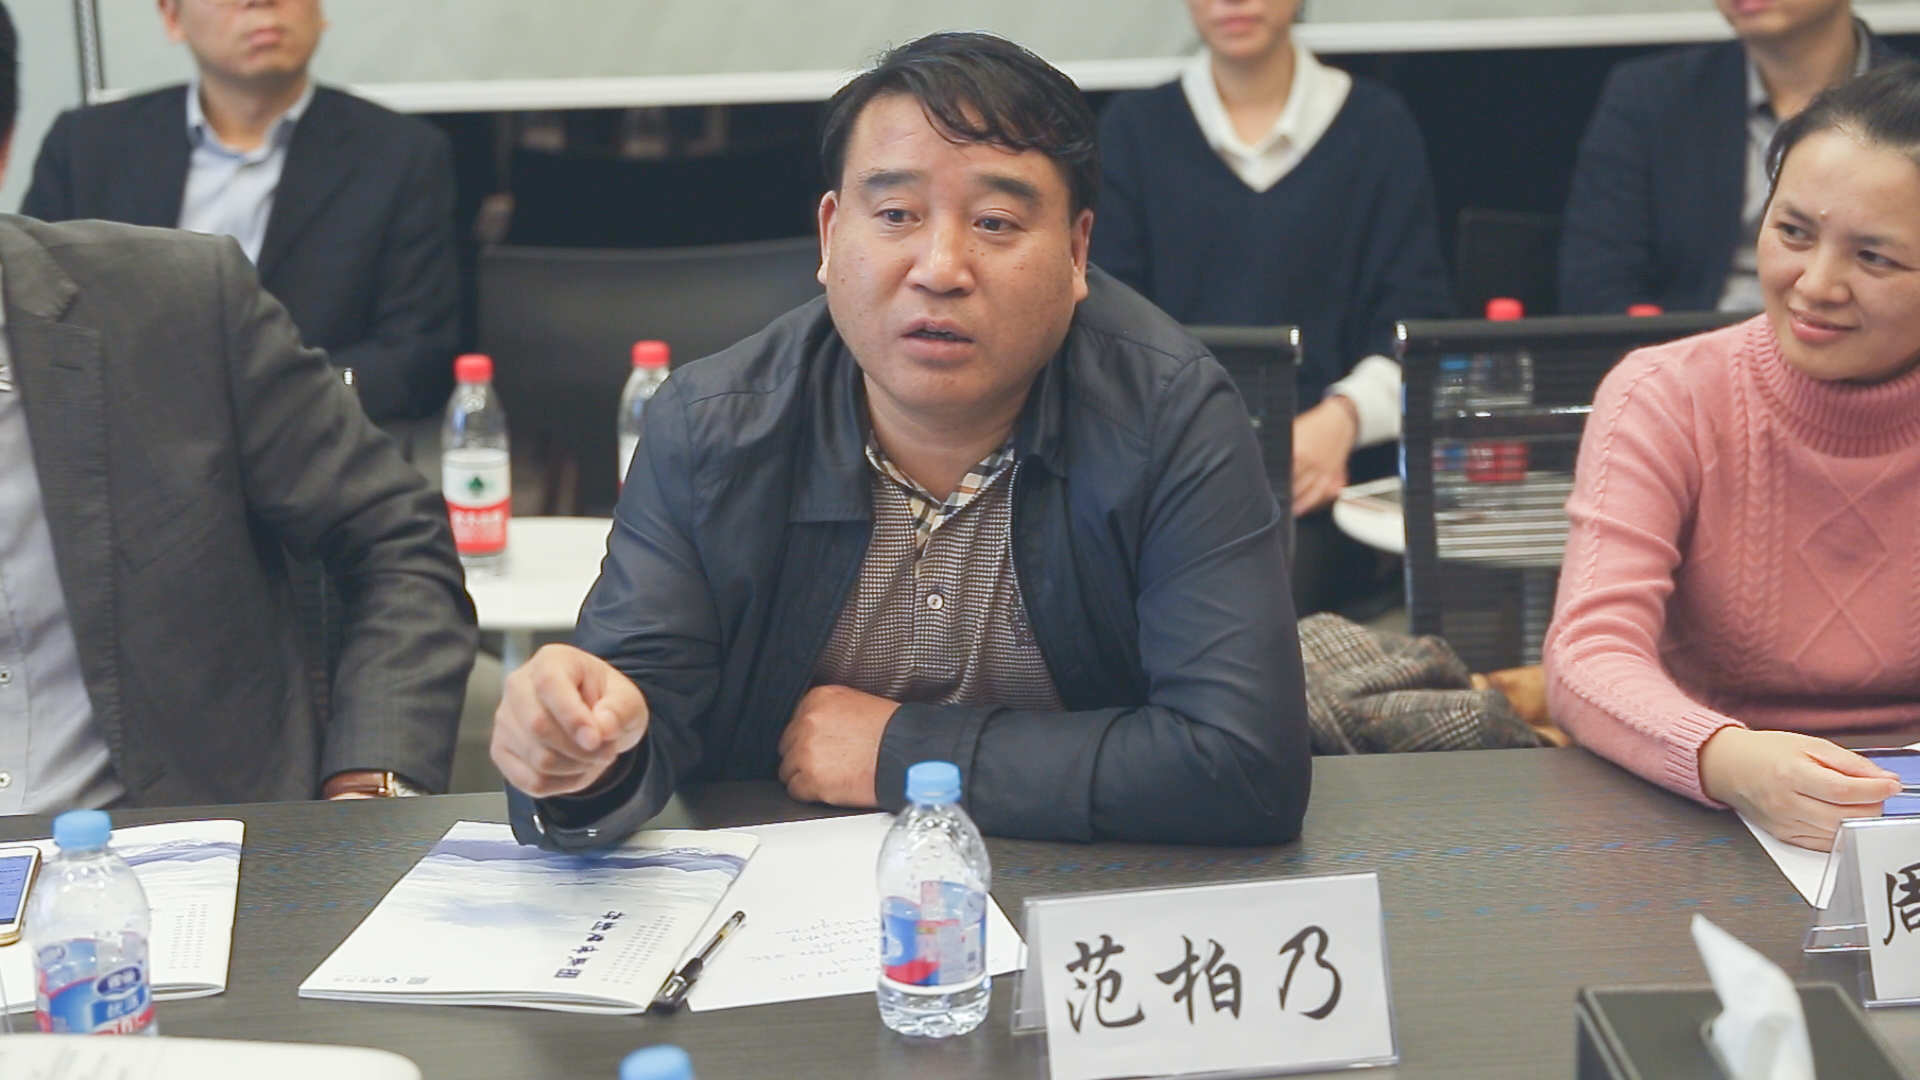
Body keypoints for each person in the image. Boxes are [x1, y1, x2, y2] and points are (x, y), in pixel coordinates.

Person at [493, 32, 1312, 850]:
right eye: (895, 215)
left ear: (1075, 252)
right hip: (781, 903)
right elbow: (629, 716)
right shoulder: (710, 428)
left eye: (995, 222)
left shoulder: (1169, 415)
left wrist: (901, 753)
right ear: (829, 236)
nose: (941, 267)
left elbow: (1243, 764)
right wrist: (576, 756)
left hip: (1083, 892)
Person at [0, 0, 476, 812]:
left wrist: (369, 786)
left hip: (174, 842)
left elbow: (398, 539)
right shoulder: (99, 142)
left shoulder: (178, 303)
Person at [1544, 62, 1920, 852]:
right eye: (1793, 233)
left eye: (1874, 258)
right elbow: (1588, 654)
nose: (1815, 284)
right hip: (1706, 810)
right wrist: (1728, 759)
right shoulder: (1666, 395)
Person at [1091, 0, 1453, 617]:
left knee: (1282, 599)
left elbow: (1415, 321)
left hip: (1330, 477)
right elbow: (1109, 328)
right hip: (1170, 465)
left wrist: (1342, 420)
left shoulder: (1376, 124)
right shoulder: (1134, 127)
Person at [22, 0, 458, 425]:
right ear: (173, 17)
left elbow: (416, 356)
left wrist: (276, 402)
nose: (260, 3)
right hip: (120, 439)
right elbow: (31, 317)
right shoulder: (86, 146)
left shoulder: (401, 153)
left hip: (308, 440)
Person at [1560, 0, 1900, 316]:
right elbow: (1598, 279)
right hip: (1693, 345)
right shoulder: (1650, 94)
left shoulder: (1908, 105)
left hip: (1860, 342)